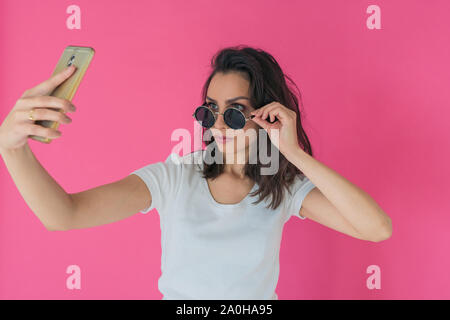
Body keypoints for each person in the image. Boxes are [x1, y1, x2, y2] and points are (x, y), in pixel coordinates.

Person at [0, 45, 392, 300]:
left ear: (266, 116)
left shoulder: (283, 188)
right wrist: (11, 148)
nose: (218, 125)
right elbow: (63, 215)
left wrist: (292, 152)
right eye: (209, 110)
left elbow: (376, 228)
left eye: (235, 112)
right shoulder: (173, 178)